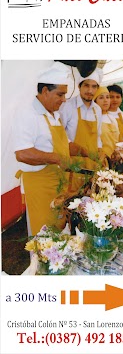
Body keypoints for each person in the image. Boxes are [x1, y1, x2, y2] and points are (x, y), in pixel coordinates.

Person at [13, 64, 74, 235]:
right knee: (43, 235)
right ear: (45, 91)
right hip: (40, 186)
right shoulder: (27, 113)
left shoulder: (54, 114)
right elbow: (22, 153)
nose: (63, 100)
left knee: (61, 230)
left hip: (58, 182)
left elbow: (65, 142)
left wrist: (84, 153)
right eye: (60, 94)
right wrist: (55, 158)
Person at [60, 68, 106, 193]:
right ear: (79, 86)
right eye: (86, 85)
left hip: (91, 166)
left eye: (94, 86)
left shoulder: (97, 110)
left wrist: (100, 151)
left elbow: (97, 137)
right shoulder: (67, 106)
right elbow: (59, 137)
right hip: (72, 167)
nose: (90, 91)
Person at [94, 86, 120, 157]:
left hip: (114, 159)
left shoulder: (112, 118)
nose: (105, 100)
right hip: (101, 159)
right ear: (95, 101)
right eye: (101, 97)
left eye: (107, 97)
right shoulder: (93, 119)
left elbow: (117, 142)